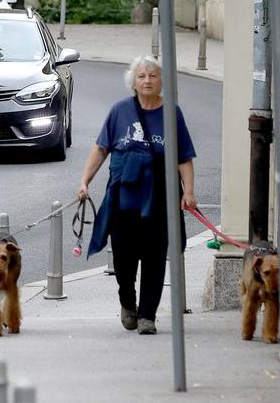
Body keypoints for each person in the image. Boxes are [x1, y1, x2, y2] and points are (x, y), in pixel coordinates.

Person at [76, 55, 197, 335]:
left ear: (161, 82)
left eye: (153, 76)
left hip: (160, 198)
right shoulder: (120, 111)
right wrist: (85, 181)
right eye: (142, 76)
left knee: (155, 257)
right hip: (124, 198)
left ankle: (147, 316)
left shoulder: (172, 114)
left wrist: (188, 192)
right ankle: (128, 303)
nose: (147, 81)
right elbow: (101, 149)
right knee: (123, 257)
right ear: (133, 81)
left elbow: (184, 157)